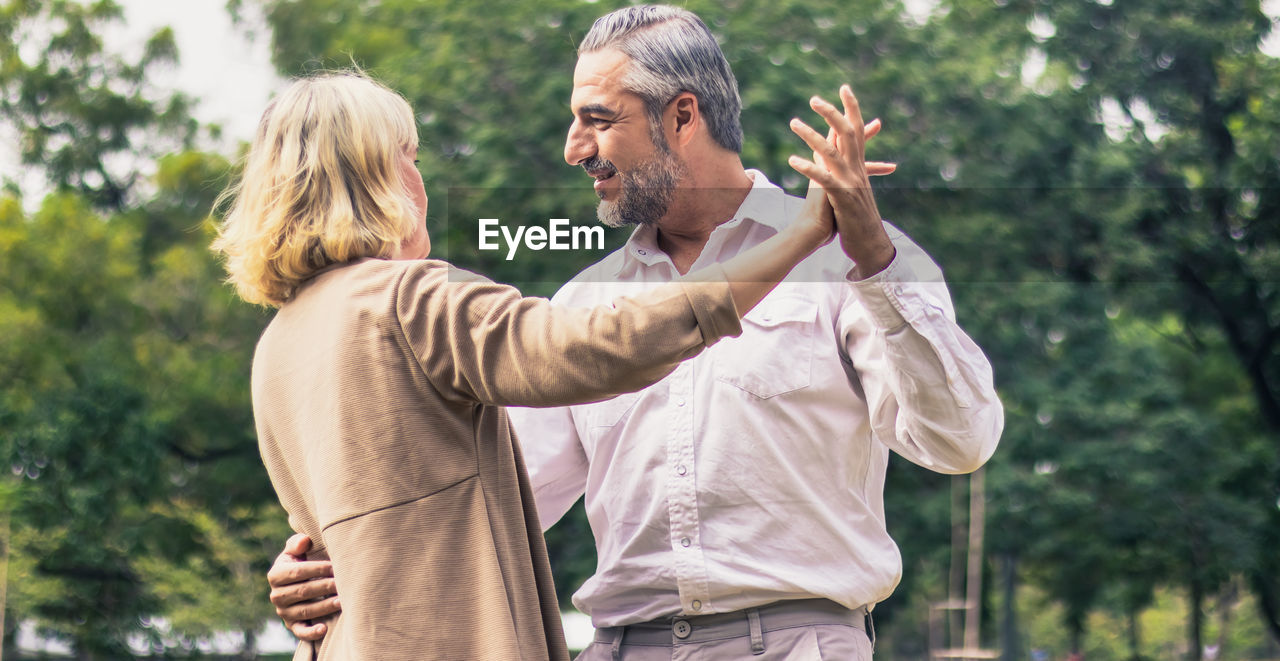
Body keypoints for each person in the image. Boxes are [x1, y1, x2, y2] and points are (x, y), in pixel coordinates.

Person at [269, 6, 1004, 660]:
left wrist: (872, 257)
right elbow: (490, 490)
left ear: (681, 117)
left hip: (799, 643)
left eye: (597, 118)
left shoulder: (855, 256)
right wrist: (330, 555)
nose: (572, 147)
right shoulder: (583, 305)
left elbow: (959, 440)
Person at [212, 70, 845, 661]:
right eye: (410, 156)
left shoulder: (279, 344)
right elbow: (603, 347)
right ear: (373, 176)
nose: (420, 179)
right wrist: (799, 236)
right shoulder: (411, 300)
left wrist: (292, 567)